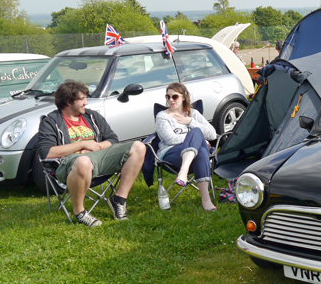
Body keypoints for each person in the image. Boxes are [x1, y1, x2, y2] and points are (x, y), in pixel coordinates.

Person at [37, 81, 146, 227]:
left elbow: (112, 139)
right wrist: (82, 144)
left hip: (99, 157)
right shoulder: (51, 121)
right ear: (69, 101)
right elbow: (46, 152)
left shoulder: (92, 116)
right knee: (83, 161)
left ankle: (118, 200)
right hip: (70, 164)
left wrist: (96, 146)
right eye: (82, 99)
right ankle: (80, 212)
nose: (86, 103)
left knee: (138, 147)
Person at [155, 82, 217, 211]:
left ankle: (184, 173)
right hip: (171, 153)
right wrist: (197, 139)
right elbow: (170, 139)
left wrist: (190, 122)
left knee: (199, 145)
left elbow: (212, 134)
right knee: (197, 137)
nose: (171, 100)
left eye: (175, 96)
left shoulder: (193, 114)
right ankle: (206, 200)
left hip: (191, 154)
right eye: (168, 97)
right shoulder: (162, 116)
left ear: (183, 97)